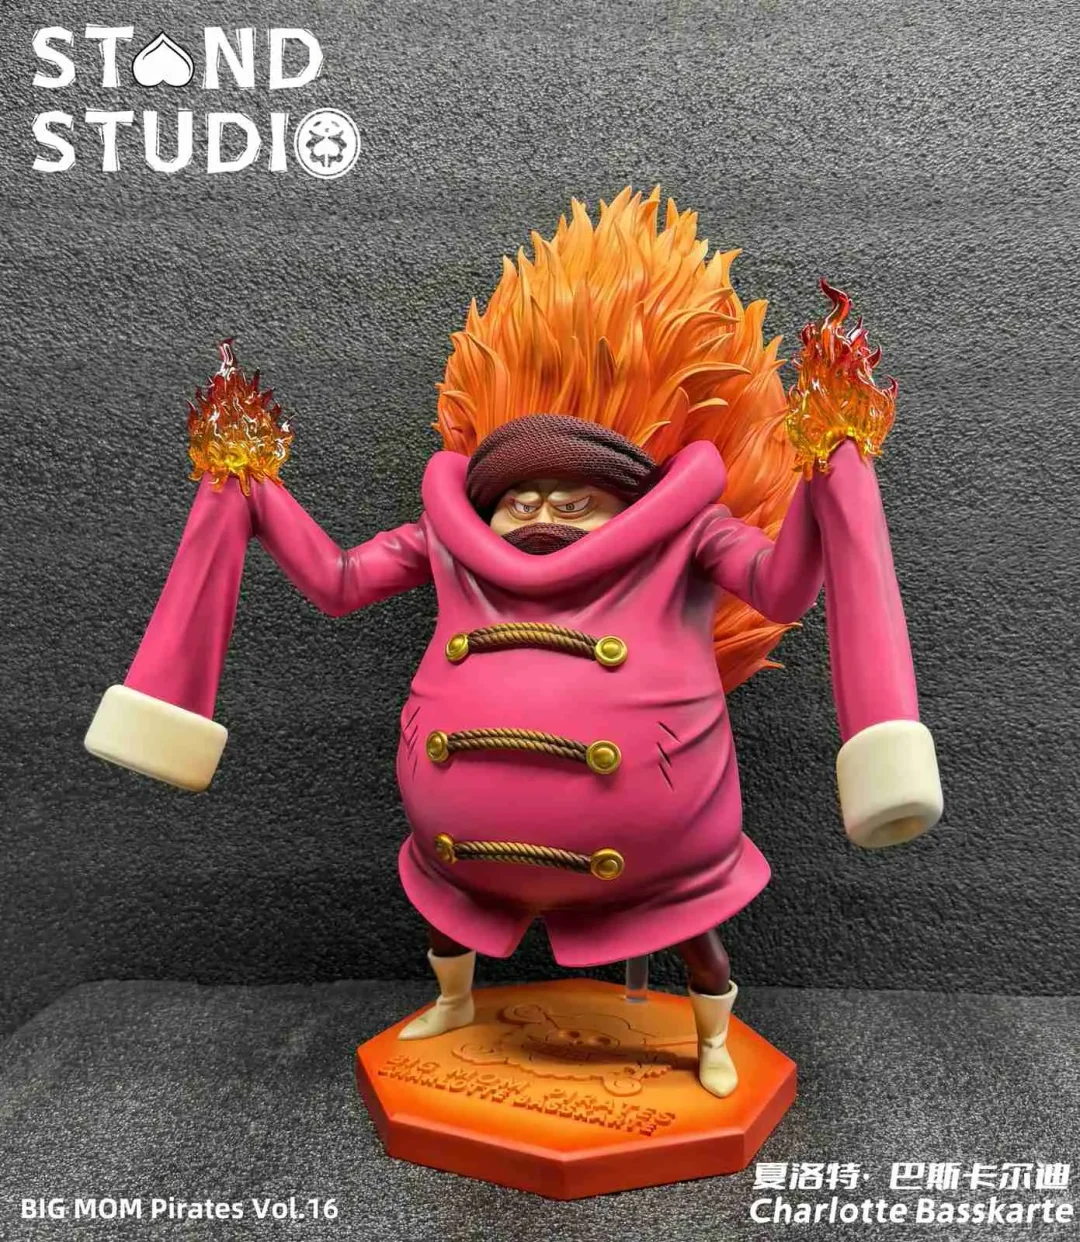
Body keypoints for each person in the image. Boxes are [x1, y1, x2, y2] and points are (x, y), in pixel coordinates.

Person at [85, 188, 943, 1099]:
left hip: (660, 850)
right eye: (520, 499)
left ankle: (712, 1036)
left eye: (574, 501)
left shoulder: (688, 537)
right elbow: (337, 582)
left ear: (627, 499)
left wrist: (827, 472)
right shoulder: (449, 543)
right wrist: (253, 490)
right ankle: (454, 1001)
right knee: (451, 913)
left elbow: (781, 586)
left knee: (695, 935)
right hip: (461, 845)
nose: (541, 513)